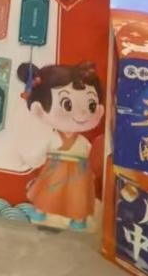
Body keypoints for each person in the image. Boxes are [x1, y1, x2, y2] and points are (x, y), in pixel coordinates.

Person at [15, 61, 105, 229]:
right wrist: (31, 159)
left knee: (77, 197)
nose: (82, 113)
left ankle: (78, 218)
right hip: (55, 171)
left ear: (99, 110)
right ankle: (41, 210)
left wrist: (93, 169)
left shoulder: (83, 142)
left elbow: (93, 158)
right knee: (49, 193)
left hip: (79, 175)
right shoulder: (52, 137)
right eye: (67, 104)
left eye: (91, 105)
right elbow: (40, 152)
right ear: (38, 109)